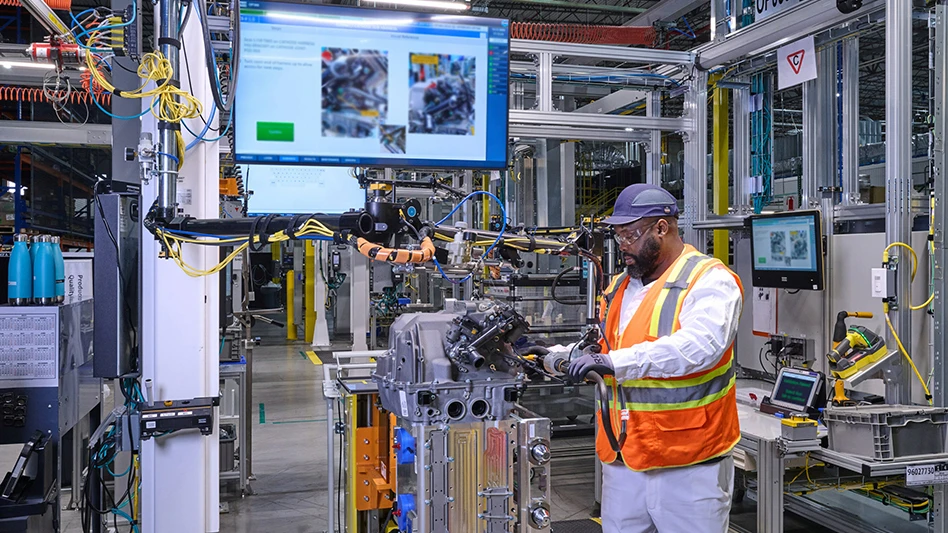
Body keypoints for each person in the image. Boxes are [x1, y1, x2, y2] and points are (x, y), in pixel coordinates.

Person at [567, 183, 744, 533]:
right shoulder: (619, 285)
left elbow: (699, 347)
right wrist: (548, 354)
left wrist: (613, 363)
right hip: (625, 458)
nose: (623, 247)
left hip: (690, 464)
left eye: (630, 235)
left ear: (662, 228)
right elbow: (603, 349)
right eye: (618, 237)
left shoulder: (709, 279)